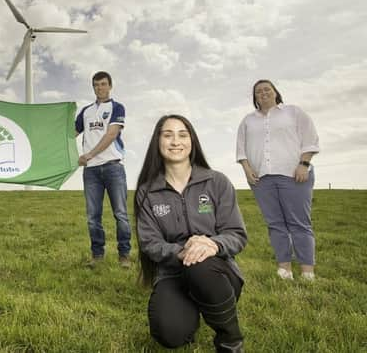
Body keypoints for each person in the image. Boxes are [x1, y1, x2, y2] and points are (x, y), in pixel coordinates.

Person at [135, 115, 247, 352]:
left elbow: (236, 233)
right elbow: (149, 242)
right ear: (157, 142)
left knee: (200, 263)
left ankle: (230, 339)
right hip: (173, 273)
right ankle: (192, 310)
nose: (175, 141)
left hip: (216, 271)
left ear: (192, 141)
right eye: (168, 135)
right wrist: (181, 252)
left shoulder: (217, 181)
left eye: (182, 135)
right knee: (170, 334)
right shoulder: (147, 191)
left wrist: (212, 244)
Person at [236, 79, 320, 281]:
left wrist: (304, 164)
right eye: (258, 91)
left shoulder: (293, 112)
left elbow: (310, 139)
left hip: (294, 175)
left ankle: (307, 271)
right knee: (275, 224)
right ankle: (284, 269)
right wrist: (247, 170)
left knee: (299, 223)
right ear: (255, 97)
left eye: (267, 89)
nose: (263, 93)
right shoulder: (248, 120)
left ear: (275, 92)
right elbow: (241, 149)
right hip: (261, 180)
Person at [75, 71, 131, 268]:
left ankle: (124, 256)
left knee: (120, 213)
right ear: (93, 87)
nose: (100, 88)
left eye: (103, 84)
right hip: (91, 172)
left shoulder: (117, 107)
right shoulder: (86, 111)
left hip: (113, 167)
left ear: (110, 86)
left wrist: (89, 154)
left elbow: (111, 134)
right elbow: (70, 133)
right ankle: (97, 256)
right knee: (92, 216)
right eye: (96, 85)